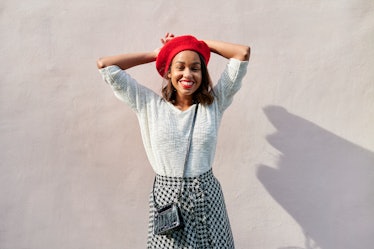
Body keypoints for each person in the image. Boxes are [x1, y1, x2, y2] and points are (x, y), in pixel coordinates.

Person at [97, 33, 250, 249]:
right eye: (180, 67)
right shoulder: (148, 105)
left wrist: (197, 43)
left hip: (207, 195)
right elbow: (106, 66)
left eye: (195, 68)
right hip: (168, 199)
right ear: (168, 72)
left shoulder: (214, 103)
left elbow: (241, 53)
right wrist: (157, 54)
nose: (188, 74)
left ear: (202, 73)